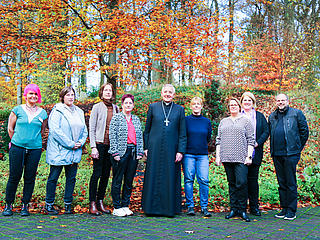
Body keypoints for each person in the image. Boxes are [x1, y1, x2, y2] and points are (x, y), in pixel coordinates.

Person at [2, 84, 48, 217]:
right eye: (30, 94)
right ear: (26, 95)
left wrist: (32, 141)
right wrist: (18, 141)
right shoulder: (17, 110)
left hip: (35, 149)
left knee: (29, 177)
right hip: (17, 148)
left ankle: (25, 205)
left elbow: (42, 130)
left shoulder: (43, 113)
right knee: (14, 177)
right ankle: (8, 205)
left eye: (35, 94)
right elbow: (10, 128)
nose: (33, 96)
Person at [142, 84, 187, 217]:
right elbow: (147, 130)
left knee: (170, 177)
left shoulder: (179, 109)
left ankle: (169, 209)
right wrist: (146, 147)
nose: (167, 94)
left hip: (172, 150)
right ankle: (150, 209)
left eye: (170, 92)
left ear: (174, 95)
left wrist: (180, 151)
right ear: (161, 93)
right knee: (153, 176)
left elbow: (182, 132)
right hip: (154, 149)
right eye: (165, 92)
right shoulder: (153, 107)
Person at [44, 86, 88, 215]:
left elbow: (84, 130)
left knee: (71, 178)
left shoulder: (79, 111)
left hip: (74, 151)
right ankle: (49, 205)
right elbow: (55, 130)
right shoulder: (57, 111)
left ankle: (68, 204)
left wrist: (80, 142)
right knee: (53, 178)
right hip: (59, 151)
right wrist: (70, 144)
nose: (71, 97)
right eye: (68, 94)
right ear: (63, 97)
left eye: (72, 94)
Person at [269, 93, 309, 221]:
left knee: (290, 182)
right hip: (277, 154)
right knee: (281, 182)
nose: (280, 102)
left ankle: (292, 210)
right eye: (278, 100)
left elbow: (304, 132)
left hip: (291, 154)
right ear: (276, 102)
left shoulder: (296, 114)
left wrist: (297, 148)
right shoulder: (272, 116)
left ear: (287, 101)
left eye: (283, 100)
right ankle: (284, 208)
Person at [216, 98, 255, 222]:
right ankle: (233, 209)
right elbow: (218, 140)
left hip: (241, 158)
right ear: (229, 108)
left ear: (239, 106)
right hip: (226, 157)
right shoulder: (223, 122)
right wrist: (218, 156)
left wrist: (249, 156)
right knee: (231, 184)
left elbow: (251, 140)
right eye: (231, 105)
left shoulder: (246, 121)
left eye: (235, 105)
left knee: (241, 183)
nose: (233, 107)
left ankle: (242, 210)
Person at [108, 94, 144, 217]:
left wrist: (140, 152)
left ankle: (125, 205)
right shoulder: (116, 118)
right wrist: (115, 152)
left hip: (133, 152)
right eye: (126, 103)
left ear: (133, 105)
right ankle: (117, 207)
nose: (128, 105)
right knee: (118, 179)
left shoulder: (136, 119)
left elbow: (139, 136)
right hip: (121, 152)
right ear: (122, 105)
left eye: (130, 103)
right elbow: (112, 136)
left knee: (129, 180)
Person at [88, 83, 119, 215]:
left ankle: (100, 201)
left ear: (112, 93)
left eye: (110, 90)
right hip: (99, 145)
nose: (108, 92)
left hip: (111, 147)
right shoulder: (96, 107)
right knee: (97, 174)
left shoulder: (116, 108)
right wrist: (93, 146)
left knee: (106, 174)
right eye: (105, 90)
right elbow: (92, 128)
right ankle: (92, 203)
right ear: (101, 92)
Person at [240, 92, 269, 216]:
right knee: (241, 181)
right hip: (240, 153)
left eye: (249, 100)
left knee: (253, 181)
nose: (247, 102)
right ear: (241, 102)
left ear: (253, 103)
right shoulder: (237, 116)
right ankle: (240, 207)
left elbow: (266, 131)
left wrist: (258, 143)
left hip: (255, 152)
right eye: (245, 100)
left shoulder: (259, 116)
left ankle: (254, 207)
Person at [183, 97, 212, 217]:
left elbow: (208, 137)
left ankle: (204, 207)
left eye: (198, 104)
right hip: (188, 154)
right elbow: (183, 136)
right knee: (189, 180)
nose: (196, 106)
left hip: (202, 155)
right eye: (194, 104)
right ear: (191, 106)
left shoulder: (206, 121)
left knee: (204, 180)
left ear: (201, 106)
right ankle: (190, 206)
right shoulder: (185, 120)